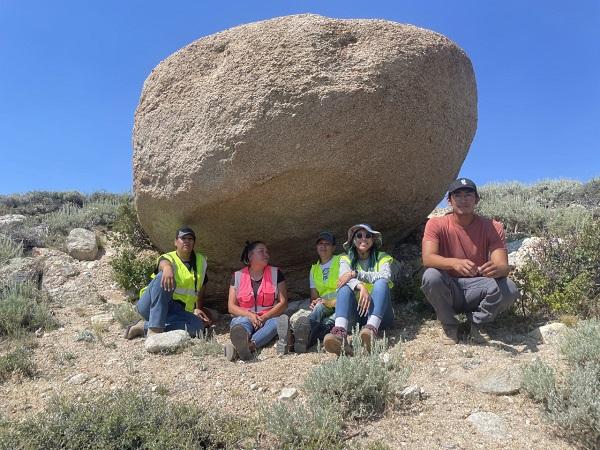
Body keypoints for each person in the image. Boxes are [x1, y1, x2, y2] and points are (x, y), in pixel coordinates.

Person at [421, 178, 520, 344]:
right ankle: (450, 326)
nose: (463, 200)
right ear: (449, 201)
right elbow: (428, 258)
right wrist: (454, 263)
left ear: (477, 199)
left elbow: (503, 266)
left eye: (468, 195)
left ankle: (475, 324)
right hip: (450, 287)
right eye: (457, 195)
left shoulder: (493, 227)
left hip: (479, 288)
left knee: (509, 288)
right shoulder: (435, 224)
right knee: (431, 276)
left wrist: (496, 269)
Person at [124, 226, 212, 339]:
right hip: (151, 306)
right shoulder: (168, 258)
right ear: (176, 242)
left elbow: (201, 287)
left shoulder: (201, 261)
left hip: (176, 311)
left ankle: (143, 326)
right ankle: (155, 329)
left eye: (190, 239)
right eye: (183, 238)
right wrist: (167, 267)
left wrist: (198, 308)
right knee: (162, 276)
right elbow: (163, 262)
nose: (187, 241)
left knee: (198, 327)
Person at [323, 224, 395, 355]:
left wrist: (356, 273)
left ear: (373, 239)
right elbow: (343, 277)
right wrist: (361, 286)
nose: (363, 238)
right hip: (357, 315)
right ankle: (340, 335)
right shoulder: (345, 258)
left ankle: (371, 330)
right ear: (353, 240)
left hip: (381, 315)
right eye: (359, 235)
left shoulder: (383, 257)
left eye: (368, 235)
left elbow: (386, 275)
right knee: (343, 286)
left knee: (381, 282)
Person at [225, 241, 289, 361]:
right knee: (240, 324)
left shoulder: (276, 273)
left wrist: (264, 317)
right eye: (261, 251)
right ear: (250, 256)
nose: (266, 254)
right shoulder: (237, 276)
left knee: (277, 322)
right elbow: (231, 306)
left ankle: (247, 347)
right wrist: (250, 315)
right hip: (246, 318)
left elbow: (283, 302)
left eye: (267, 252)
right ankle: (243, 341)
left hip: (268, 318)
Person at [292, 231, 340, 353]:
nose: (323, 246)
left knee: (329, 322)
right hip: (324, 304)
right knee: (318, 309)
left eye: (327, 244)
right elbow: (314, 296)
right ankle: (302, 339)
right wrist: (316, 301)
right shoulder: (314, 269)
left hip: (341, 301)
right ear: (316, 247)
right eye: (320, 244)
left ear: (333, 247)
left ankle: (296, 340)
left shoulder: (341, 260)